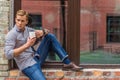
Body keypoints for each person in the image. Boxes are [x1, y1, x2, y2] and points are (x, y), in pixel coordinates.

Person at [4, 10, 83, 80]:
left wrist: (43, 32)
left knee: (50, 37)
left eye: (22, 21)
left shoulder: (28, 30)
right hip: (28, 66)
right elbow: (8, 55)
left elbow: (44, 32)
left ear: (26, 22)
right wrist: (27, 45)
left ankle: (67, 62)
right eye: (18, 20)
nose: (19, 23)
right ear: (15, 19)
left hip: (36, 57)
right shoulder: (11, 34)